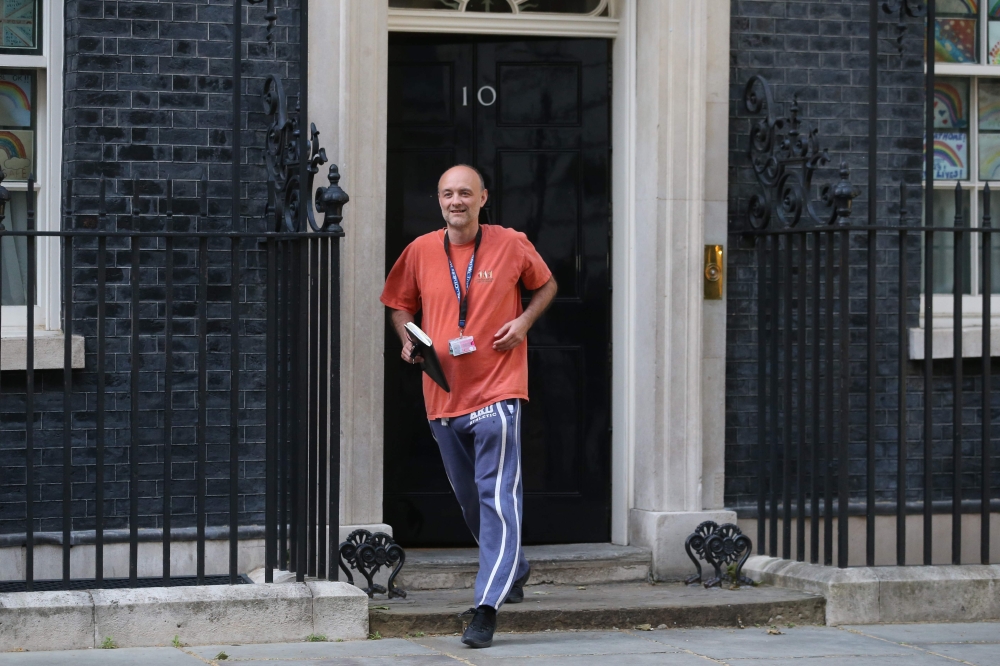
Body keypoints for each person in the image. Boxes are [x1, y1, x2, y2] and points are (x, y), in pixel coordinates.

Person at [380, 165, 557, 648]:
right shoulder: (419, 250)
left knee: (497, 498)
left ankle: (485, 607)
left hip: (498, 390)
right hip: (442, 395)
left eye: (464, 193)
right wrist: (406, 339)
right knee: (469, 500)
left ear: (483, 198)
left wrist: (523, 322)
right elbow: (399, 304)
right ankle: (513, 568)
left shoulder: (510, 243)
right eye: (447, 193)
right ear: (439, 201)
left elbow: (547, 285)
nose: (455, 200)